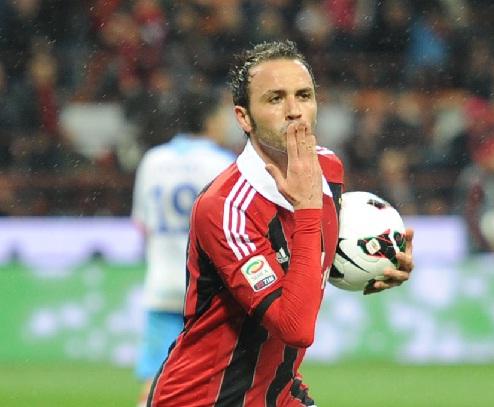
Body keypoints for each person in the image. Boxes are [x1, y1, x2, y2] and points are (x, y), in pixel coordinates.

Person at [147, 40, 414, 407]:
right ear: (244, 117)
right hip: (204, 399)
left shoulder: (328, 169)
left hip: (278, 391)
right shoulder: (225, 208)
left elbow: (307, 261)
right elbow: (295, 328)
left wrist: (376, 261)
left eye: (304, 95)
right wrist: (307, 207)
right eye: (275, 99)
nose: (294, 111)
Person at [132, 90, 236, 407]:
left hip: (163, 285)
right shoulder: (223, 164)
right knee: (217, 384)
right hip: (208, 291)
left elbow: (142, 225)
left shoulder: (153, 160)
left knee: (157, 380)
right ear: (210, 120)